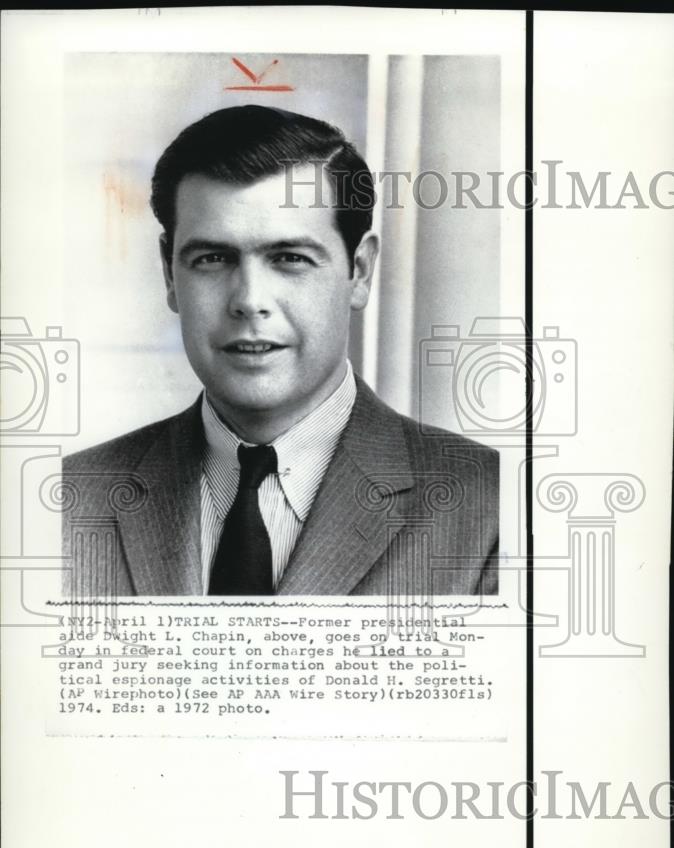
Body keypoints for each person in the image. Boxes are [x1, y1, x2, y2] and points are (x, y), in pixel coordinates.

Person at [62, 105, 498, 598]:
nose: (249, 300)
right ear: (169, 274)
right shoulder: (65, 502)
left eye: (289, 258)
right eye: (212, 259)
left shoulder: (493, 507)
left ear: (360, 271)